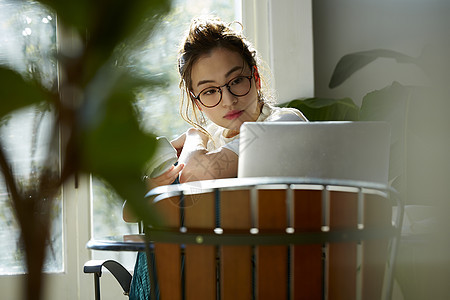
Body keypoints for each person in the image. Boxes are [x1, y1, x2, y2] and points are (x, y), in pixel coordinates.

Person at [127, 16, 307, 299]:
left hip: (275, 278)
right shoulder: (214, 137)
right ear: (196, 100)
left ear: (256, 78)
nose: (228, 100)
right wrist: (154, 186)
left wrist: (192, 135)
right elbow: (135, 210)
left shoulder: (282, 124)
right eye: (210, 91)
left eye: (236, 81)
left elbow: (200, 175)